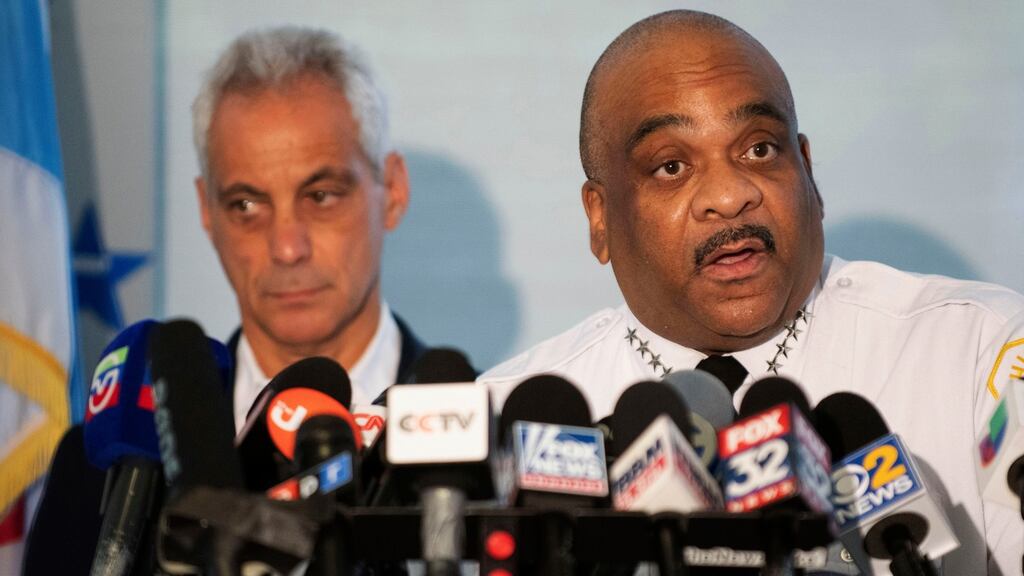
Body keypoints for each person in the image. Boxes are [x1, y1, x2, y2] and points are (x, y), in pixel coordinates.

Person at [479, 10, 1024, 574]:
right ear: (599, 218)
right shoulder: (509, 423)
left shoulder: (977, 353)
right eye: (671, 166)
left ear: (808, 171)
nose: (729, 194)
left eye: (759, 150)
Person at [24, 27, 427, 574]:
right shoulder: (106, 461)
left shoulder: (484, 433)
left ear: (394, 190)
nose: (287, 246)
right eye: (245, 204)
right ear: (206, 211)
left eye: (321, 195)